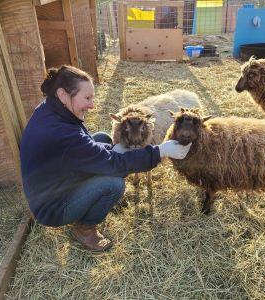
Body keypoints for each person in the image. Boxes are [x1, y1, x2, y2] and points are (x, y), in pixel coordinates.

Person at [20, 65, 191, 253]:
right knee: (114, 183)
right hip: (52, 206)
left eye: (92, 98)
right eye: (87, 98)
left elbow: (86, 149)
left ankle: (88, 202)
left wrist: (114, 149)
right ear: (63, 95)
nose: (92, 105)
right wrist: (160, 151)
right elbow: (114, 165)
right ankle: (84, 228)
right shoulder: (62, 134)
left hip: (57, 180)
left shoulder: (52, 110)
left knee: (102, 138)